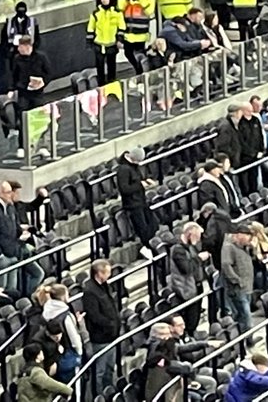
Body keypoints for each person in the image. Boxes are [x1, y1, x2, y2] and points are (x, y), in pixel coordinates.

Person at [0, 181, 43, 297]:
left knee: (12, 289)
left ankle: (23, 299)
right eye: (8, 192)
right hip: (1, 257)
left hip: (12, 253)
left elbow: (13, 227)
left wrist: (21, 231)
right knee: (3, 291)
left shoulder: (9, 207)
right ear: (1, 194)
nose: (11, 195)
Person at [81, 259, 119, 391]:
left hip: (111, 336)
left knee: (109, 368)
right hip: (100, 337)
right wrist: (110, 324)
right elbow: (94, 315)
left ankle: (109, 393)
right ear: (99, 273)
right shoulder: (90, 292)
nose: (110, 275)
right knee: (100, 371)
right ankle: (98, 395)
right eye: (107, 272)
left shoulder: (105, 286)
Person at [117, 146, 156, 258]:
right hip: (132, 204)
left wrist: (145, 180)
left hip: (141, 201)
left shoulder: (133, 167)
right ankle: (147, 248)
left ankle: (150, 246)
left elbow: (137, 179)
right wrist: (140, 185)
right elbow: (124, 189)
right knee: (142, 228)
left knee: (152, 224)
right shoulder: (124, 169)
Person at [220, 222, 255, 333]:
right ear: (239, 235)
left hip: (247, 287)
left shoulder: (245, 248)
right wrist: (236, 280)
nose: (250, 238)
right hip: (237, 288)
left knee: (242, 315)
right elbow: (226, 265)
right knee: (245, 315)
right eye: (247, 235)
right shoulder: (229, 247)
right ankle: (248, 337)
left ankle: (243, 336)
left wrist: (252, 249)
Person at [86, 0, 125, 85]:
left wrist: (119, 40)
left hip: (112, 44)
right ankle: (101, 85)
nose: (104, 0)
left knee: (111, 65)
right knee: (100, 66)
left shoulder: (117, 13)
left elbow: (121, 27)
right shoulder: (95, 13)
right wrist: (89, 43)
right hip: (99, 44)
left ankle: (112, 84)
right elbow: (90, 28)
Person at [120, 0, 154, 72]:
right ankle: (137, 68)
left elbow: (148, 11)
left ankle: (144, 70)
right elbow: (119, 8)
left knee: (140, 55)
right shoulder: (128, 1)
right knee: (128, 53)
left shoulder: (148, 0)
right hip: (128, 34)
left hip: (141, 34)